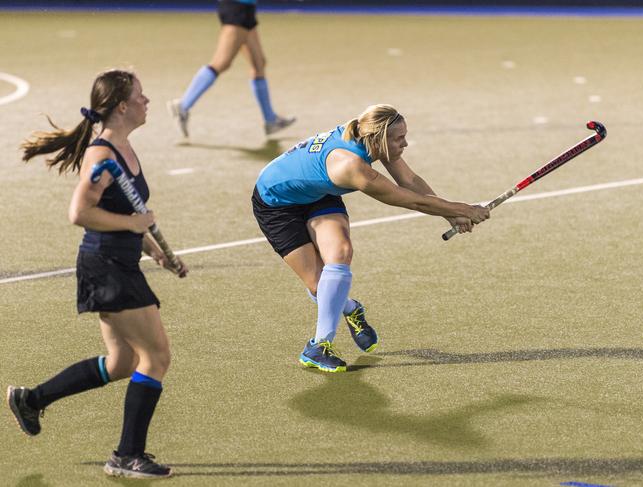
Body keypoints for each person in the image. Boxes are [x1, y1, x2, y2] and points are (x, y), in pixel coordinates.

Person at [9, 69, 188, 479]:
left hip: (119, 261)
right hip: (105, 266)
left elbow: (125, 214)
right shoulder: (102, 155)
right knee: (157, 356)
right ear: (123, 106)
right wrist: (134, 227)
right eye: (140, 96)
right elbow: (81, 213)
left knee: (123, 361)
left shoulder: (123, 149)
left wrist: (155, 252)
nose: (146, 101)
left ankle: (32, 399)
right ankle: (127, 456)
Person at [252, 104, 489, 373]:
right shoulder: (351, 165)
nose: (406, 143)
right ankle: (351, 309)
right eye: (400, 139)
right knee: (320, 285)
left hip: (317, 193)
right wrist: (463, 209)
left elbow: (409, 181)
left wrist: (450, 215)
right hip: (277, 202)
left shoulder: (371, 136)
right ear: (379, 139)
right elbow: (409, 200)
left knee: (340, 253)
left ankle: (318, 346)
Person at [168, 0, 295, 138]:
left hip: (245, 8)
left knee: (259, 64)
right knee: (221, 62)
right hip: (237, 7)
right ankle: (183, 106)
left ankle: (270, 120)